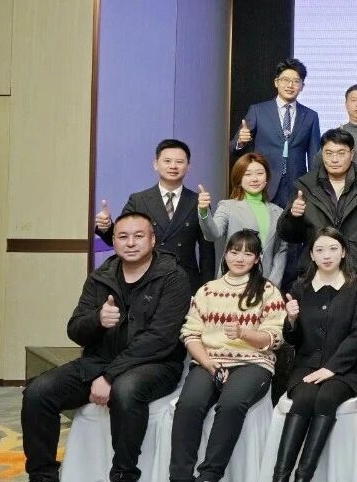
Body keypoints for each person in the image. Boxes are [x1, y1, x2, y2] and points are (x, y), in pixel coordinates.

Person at [23, 212, 190, 482]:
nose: (131, 243)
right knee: (38, 392)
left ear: (152, 240)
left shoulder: (173, 277)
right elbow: (75, 329)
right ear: (113, 240)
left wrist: (110, 376)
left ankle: (123, 474)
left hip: (155, 363)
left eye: (138, 236)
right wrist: (97, 320)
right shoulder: (100, 277)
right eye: (123, 236)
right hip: (99, 360)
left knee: (126, 390)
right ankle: (42, 476)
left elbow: (160, 338)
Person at [171, 230, 285, 482]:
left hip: (253, 363)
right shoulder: (207, 290)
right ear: (225, 254)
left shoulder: (267, 291)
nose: (240, 258)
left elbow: (275, 338)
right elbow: (190, 334)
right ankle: (179, 477)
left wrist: (244, 333)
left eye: (247, 253)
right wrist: (208, 363)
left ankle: (209, 475)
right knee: (188, 405)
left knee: (231, 404)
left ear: (257, 258)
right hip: (209, 361)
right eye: (234, 252)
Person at [272, 228, 357, 482]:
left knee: (326, 397)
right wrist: (291, 320)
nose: (326, 255)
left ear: (344, 252)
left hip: (344, 371)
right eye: (320, 250)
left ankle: (302, 477)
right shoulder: (300, 287)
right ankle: (280, 476)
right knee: (304, 398)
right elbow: (293, 339)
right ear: (312, 255)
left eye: (333, 249)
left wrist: (332, 368)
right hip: (305, 366)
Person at [95, 138, 214, 292]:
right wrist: (106, 227)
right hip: (145, 279)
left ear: (188, 166)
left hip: (185, 281)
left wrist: (206, 288)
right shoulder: (139, 200)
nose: (173, 166)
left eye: (179, 162)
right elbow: (119, 238)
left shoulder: (198, 201)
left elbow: (207, 251)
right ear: (155, 164)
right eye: (167, 161)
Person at [278, 128, 357, 286]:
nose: (334, 159)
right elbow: (288, 235)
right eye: (329, 153)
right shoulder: (305, 185)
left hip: (356, 273)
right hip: (314, 272)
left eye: (341, 153)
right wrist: (293, 216)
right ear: (322, 154)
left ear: (352, 154)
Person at [231, 58, 322, 208]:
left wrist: (312, 190)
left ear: (302, 86)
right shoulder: (258, 111)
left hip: (296, 187)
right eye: (285, 80)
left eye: (296, 81)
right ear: (276, 82)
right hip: (264, 183)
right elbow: (232, 148)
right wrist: (241, 142)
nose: (290, 85)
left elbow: (314, 157)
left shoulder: (311, 116)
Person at [199, 152, 288, 285]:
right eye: (248, 174)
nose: (255, 179)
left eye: (260, 173)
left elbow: (281, 250)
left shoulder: (278, 211)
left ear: (267, 178)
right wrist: (204, 211)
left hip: (265, 283)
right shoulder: (227, 206)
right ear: (239, 179)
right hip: (232, 283)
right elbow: (212, 235)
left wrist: (272, 285)